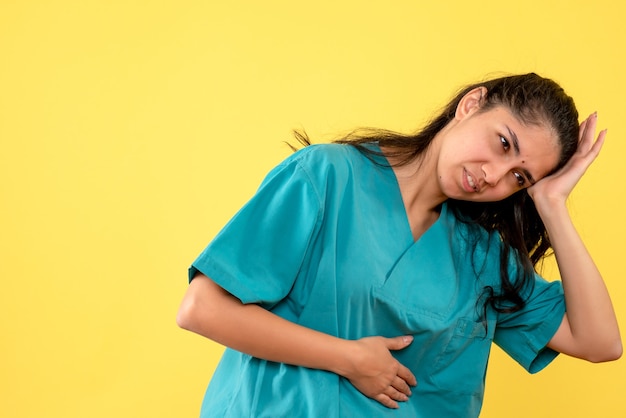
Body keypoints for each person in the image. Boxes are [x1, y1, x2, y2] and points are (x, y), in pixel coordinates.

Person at [177, 73, 622, 417]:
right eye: (503, 143)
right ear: (471, 105)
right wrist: (350, 358)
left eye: (519, 178)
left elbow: (599, 342)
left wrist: (552, 204)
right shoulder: (328, 176)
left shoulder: (483, 258)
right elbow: (203, 307)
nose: (494, 175)